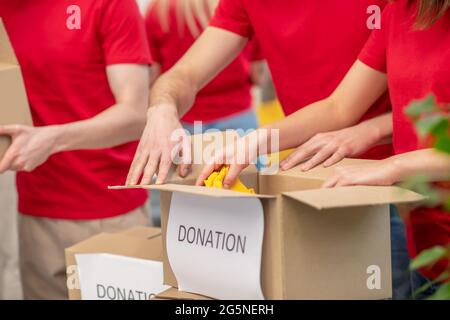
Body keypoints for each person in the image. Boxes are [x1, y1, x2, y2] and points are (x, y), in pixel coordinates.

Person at [128, 0, 419, 299]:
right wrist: (162, 108)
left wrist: (371, 131)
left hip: (395, 187)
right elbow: (185, 74)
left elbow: (426, 99)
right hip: (310, 182)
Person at [196, 0, 450, 296]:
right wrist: (254, 142)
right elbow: (339, 107)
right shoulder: (400, 12)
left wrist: (392, 166)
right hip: (427, 240)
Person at [0, 0, 152, 299]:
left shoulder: (110, 4)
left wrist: (52, 139)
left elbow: (135, 115)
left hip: (111, 210)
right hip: (36, 212)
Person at [144, 0, 263, 223]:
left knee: (179, 215)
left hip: (182, 127)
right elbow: (258, 73)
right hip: (237, 122)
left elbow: (156, 75)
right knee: (248, 207)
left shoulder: (157, 12)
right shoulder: (240, 7)